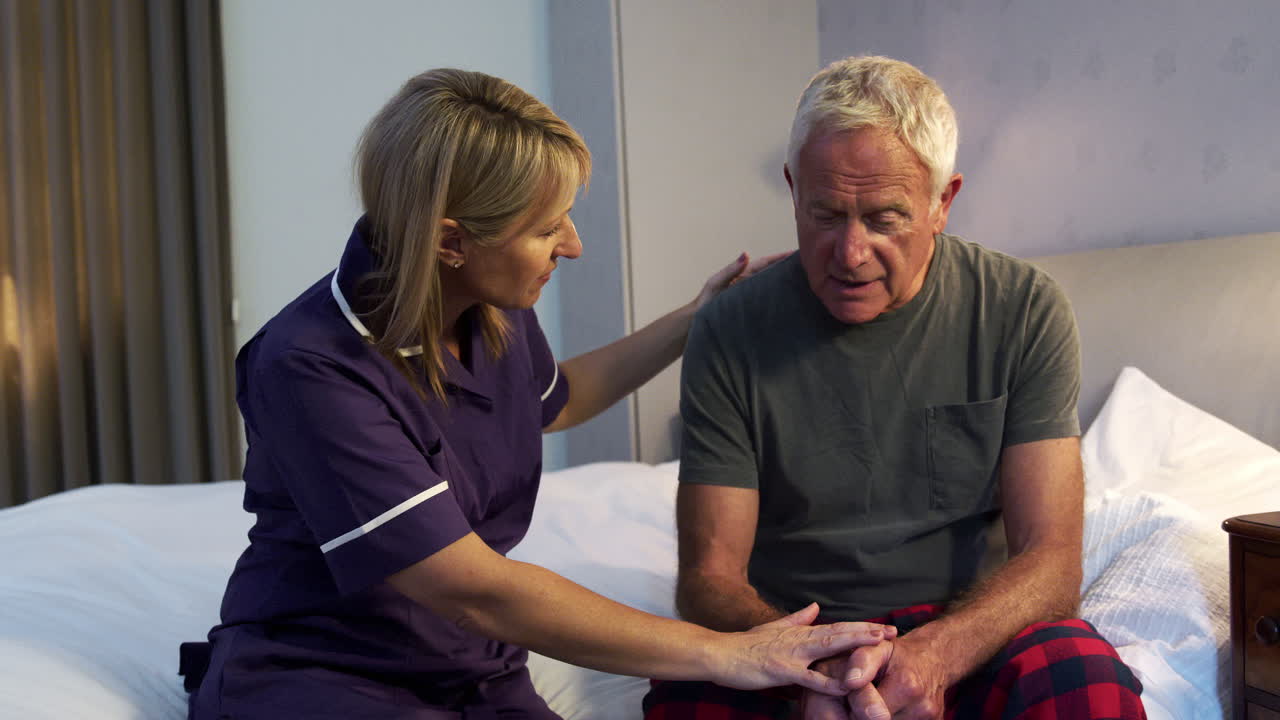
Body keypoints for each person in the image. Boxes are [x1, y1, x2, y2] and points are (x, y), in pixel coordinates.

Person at [181, 68, 901, 720]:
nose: (573, 245)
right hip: (328, 675)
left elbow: (559, 399)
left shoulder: (484, 307)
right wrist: (722, 650)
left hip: (471, 668)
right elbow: (471, 586)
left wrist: (693, 319)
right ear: (451, 241)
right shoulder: (311, 367)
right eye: (546, 227)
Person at [641, 56, 1147, 720]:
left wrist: (932, 659)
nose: (850, 253)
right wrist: (817, 672)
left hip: (968, 632)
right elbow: (709, 581)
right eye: (825, 215)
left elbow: (1050, 561)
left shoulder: (1022, 308)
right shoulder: (732, 327)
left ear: (943, 203)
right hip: (788, 635)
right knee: (685, 692)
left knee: (1084, 679)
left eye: (884, 220)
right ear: (793, 189)